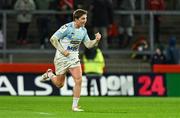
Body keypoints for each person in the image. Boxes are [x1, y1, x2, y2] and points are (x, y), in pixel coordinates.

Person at [40, 9, 102, 112]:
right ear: (76, 19)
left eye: (86, 18)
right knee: (60, 84)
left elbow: (88, 45)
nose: (85, 20)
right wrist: (63, 51)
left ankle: (75, 106)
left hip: (74, 58)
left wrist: (96, 40)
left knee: (79, 80)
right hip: (61, 58)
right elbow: (53, 39)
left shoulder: (83, 30)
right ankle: (50, 74)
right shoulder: (67, 28)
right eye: (83, 18)